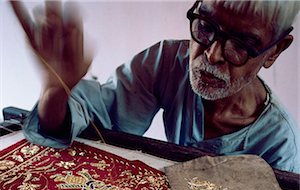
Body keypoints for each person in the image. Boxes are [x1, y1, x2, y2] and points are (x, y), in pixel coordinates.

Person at [11, 0, 300, 172]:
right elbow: (98, 119)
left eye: (241, 45)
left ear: (275, 51)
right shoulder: (167, 62)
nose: (212, 55)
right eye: (205, 26)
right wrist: (56, 90)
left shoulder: (280, 143)